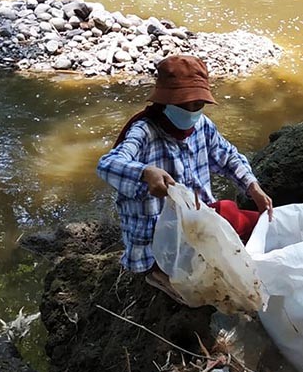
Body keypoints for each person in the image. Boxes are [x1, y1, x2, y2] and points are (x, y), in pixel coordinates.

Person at [97, 55, 272, 298]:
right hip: (157, 238)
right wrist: (145, 172)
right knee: (227, 225)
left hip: (199, 222)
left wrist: (252, 187)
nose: (192, 111)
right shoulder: (144, 131)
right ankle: (159, 273)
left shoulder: (202, 126)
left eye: (197, 104)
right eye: (185, 104)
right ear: (166, 101)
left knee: (258, 224)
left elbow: (228, 156)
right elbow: (107, 164)